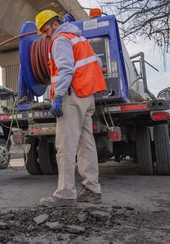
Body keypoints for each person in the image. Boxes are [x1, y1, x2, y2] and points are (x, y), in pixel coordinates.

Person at [35, 10, 107, 208]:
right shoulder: (80, 38)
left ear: (55, 23)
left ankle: (65, 193)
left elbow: (66, 69)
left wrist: (58, 96)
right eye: (42, 32)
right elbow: (99, 64)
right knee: (86, 144)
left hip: (72, 95)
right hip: (87, 97)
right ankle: (92, 190)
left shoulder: (60, 40)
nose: (45, 35)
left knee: (65, 145)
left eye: (45, 30)